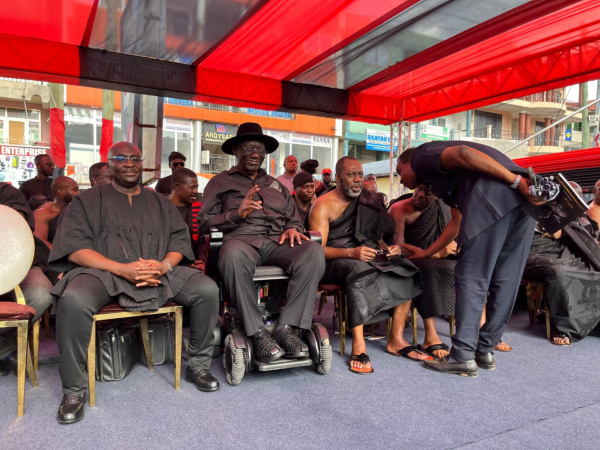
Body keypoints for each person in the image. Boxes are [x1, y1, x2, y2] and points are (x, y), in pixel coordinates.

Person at [49, 142, 220, 425]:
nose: (129, 163)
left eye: (135, 158)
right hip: (105, 271)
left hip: (157, 269)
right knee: (74, 300)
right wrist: (121, 269)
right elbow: (75, 248)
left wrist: (164, 265)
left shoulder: (160, 202)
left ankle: (199, 366)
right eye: (121, 158)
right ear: (108, 164)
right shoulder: (87, 200)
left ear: (143, 164)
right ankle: (74, 390)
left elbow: (179, 242)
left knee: (206, 289)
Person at [396, 141, 540, 377]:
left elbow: (463, 153)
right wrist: (426, 253)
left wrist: (514, 182)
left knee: (472, 276)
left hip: (500, 190)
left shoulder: (421, 157)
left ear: (409, 161)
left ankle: (462, 356)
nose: (400, 179)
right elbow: (457, 223)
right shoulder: (445, 178)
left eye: (400, 171)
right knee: (507, 276)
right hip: (524, 200)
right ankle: (484, 351)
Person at [198, 122, 325, 364]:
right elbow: (204, 224)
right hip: (241, 242)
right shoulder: (219, 182)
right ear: (236, 150)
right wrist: (237, 214)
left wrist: (292, 228)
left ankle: (287, 329)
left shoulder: (277, 185)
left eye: (260, 150)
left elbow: (294, 219)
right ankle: (256, 333)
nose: (256, 153)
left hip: (277, 243)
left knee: (313, 251)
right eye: (249, 148)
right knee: (232, 253)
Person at [309, 156, 424, 374]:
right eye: (351, 174)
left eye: (360, 175)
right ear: (337, 177)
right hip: (334, 261)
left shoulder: (368, 200)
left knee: (405, 267)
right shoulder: (322, 205)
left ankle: (396, 339)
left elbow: (375, 238)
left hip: (366, 253)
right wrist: (351, 252)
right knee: (359, 270)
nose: (357, 180)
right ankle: (359, 343)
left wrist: (387, 249)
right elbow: (316, 251)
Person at [523, 181, 600, 346]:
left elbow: (583, 235)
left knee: (592, 268)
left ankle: (592, 324)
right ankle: (564, 329)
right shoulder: (527, 208)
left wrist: (563, 230)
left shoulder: (580, 216)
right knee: (560, 272)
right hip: (532, 249)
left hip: (560, 250)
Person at [389, 184, 459, 359]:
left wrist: (454, 249)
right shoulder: (399, 209)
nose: (419, 195)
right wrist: (436, 253)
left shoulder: (445, 208)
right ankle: (430, 335)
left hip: (442, 257)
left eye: (427, 192)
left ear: (436, 195)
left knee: (474, 269)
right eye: (417, 189)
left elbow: (457, 238)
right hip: (414, 260)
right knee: (426, 270)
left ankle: (481, 329)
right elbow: (398, 249)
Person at [0, 183, 55, 376]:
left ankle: (3, 347)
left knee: (41, 293)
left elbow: (16, 224)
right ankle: (6, 352)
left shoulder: (6, 192)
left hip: (17, 261)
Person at [169, 167, 204, 271]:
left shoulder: (199, 208)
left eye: (196, 187)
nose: (196, 191)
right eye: (192, 188)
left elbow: (204, 238)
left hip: (192, 264)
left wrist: (202, 261)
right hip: (166, 263)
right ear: (177, 187)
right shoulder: (161, 206)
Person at [34, 176, 80, 249]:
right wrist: (60, 256)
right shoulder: (42, 213)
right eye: (75, 190)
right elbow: (40, 240)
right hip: (52, 256)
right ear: (61, 192)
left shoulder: (77, 211)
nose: (78, 193)